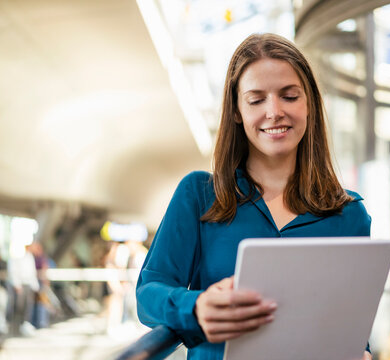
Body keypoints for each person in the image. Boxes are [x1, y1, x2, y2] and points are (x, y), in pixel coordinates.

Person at [136, 33, 373, 360]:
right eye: (256, 99)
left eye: (289, 96)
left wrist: (360, 352)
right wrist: (197, 306)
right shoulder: (200, 195)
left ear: (310, 105)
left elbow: (352, 324)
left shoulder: (349, 215)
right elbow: (148, 295)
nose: (274, 112)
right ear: (236, 111)